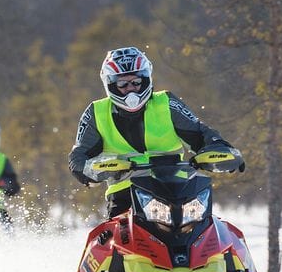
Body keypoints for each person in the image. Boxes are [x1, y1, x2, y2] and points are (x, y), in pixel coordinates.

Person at [68, 46, 242, 217]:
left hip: (178, 188)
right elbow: (78, 158)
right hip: (126, 194)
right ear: (111, 84)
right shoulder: (96, 112)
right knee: (107, 239)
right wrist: (94, 169)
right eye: (123, 84)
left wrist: (220, 148)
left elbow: (200, 133)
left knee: (216, 231)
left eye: (136, 82)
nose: (131, 89)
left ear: (146, 79)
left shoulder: (166, 103)